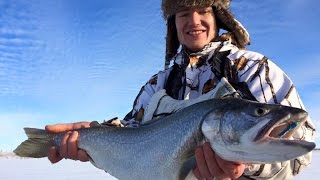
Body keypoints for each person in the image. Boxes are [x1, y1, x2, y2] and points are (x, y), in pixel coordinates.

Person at [45, 0, 316, 179]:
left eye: (203, 10)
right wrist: (90, 134)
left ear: (218, 16)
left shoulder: (253, 68)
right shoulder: (156, 85)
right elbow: (131, 136)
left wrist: (249, 162)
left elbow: (298, 152)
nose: (193, 20)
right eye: (183, 13)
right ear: (173, 25)